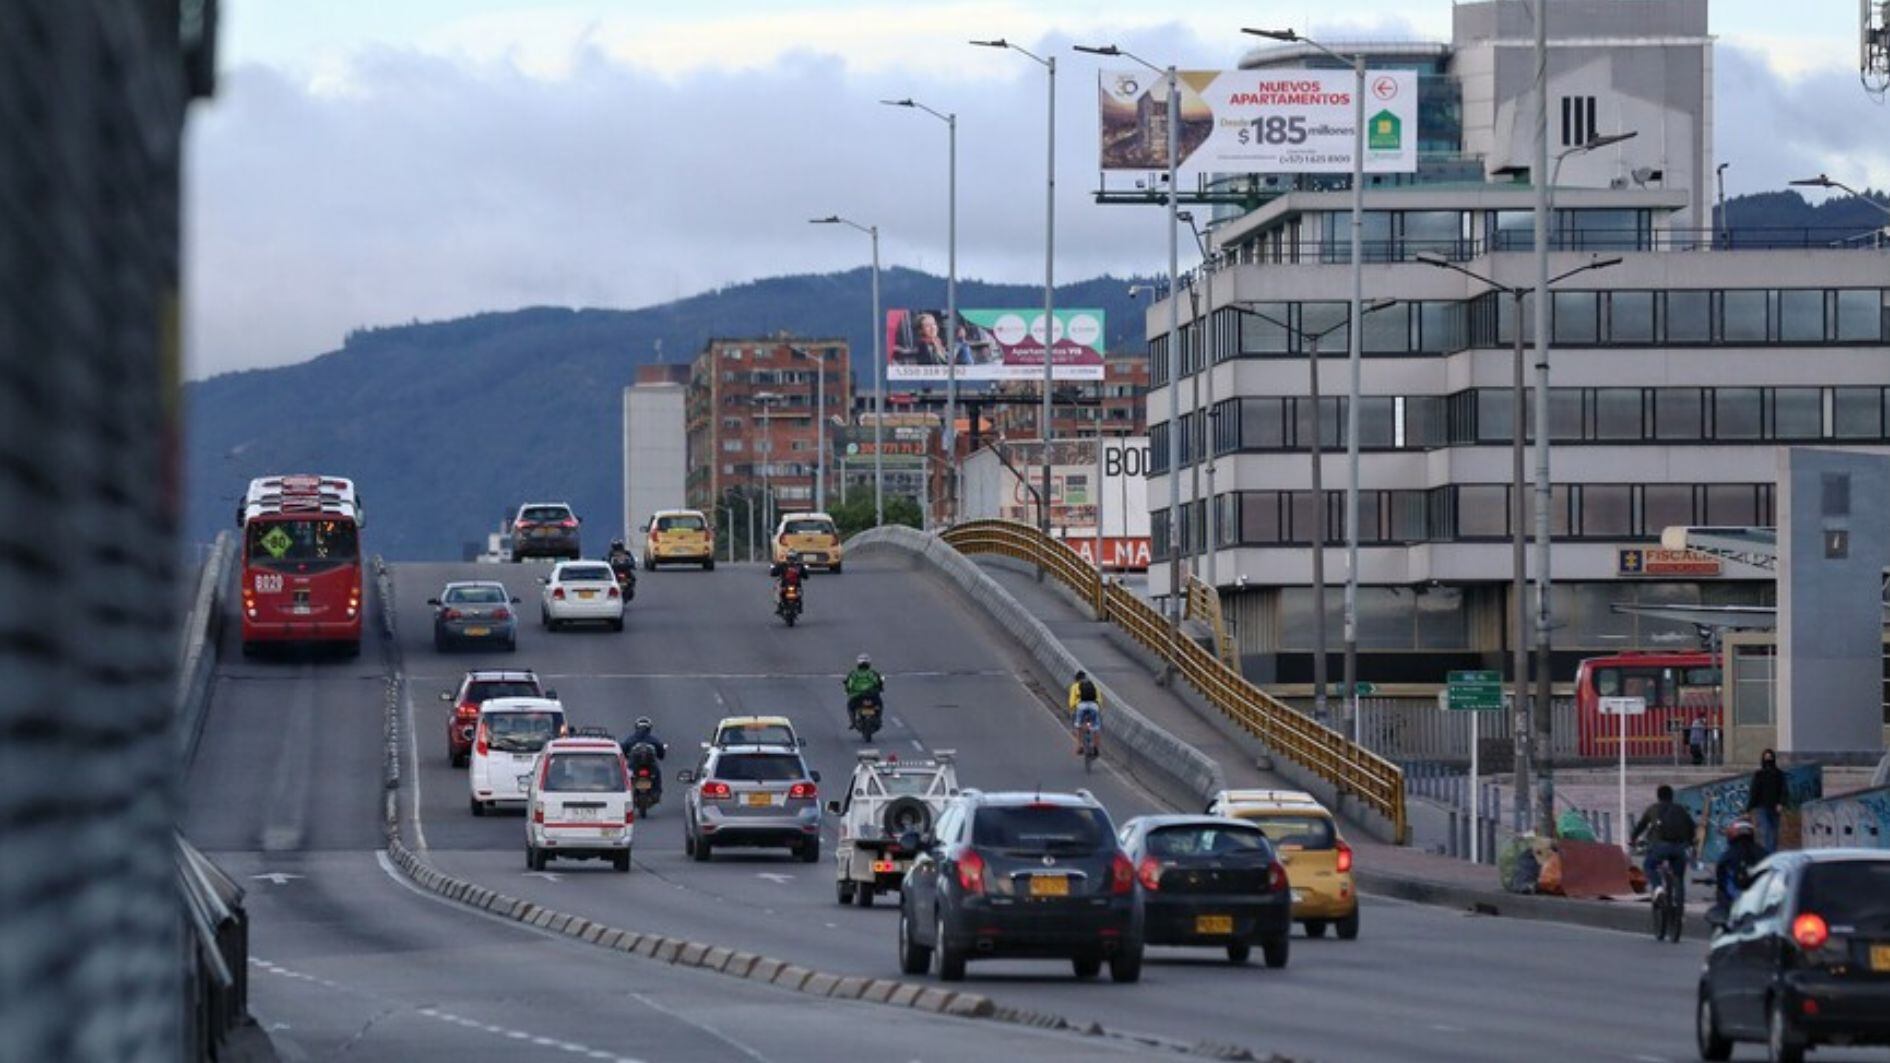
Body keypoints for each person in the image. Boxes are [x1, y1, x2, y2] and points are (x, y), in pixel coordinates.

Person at [1630, 784, 1698, 905]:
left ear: (1658, 796)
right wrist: (1691, 843)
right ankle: (1679, 900)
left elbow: (1641, 826)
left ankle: (1658, 888)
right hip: (1679, 847)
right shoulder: (1680, 809)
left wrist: (1633, 839)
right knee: (1679, 875)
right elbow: (1692, 827)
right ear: (1672, 796)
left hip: (1659, 847)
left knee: (1649, 866)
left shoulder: (1653, 809)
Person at [1713, 818, 1765, 913]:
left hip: (1736, 901)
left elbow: (1720, 875)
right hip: (1758, 899)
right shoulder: (1762, 852)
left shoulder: (1729, 854)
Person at [1747, 749, 1787, 853]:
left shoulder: (1779, 774)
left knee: (1774, 832)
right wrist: (1749, 808)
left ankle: (1771, 853)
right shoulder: (1759, 774)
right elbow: (1754, 791)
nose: (1768, 759)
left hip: (1775, 807)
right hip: (1762, 807)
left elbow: (1784, 790)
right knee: (1767, 832)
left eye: (1770, 757)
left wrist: (1781, 803)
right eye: (1766, 757)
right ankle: (1768, 855)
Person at [621, 716, 667, 797]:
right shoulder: (653, 740)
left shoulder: (631, 739)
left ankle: (625, 791)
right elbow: (661, 753)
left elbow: (623, 750)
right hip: (646, 767)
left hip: (637, 766)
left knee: (626, 775)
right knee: (657, 773)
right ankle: (656, 791)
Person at [842, 653, 885, 730]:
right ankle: (878, 718)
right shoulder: (872, 673)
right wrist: (880, 688)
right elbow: (878, 682)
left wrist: (847, 690)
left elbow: (848, 684)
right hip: (872, 695)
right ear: (868, 663)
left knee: (850, 706)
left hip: (857, 696)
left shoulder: (853, 674)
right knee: (880, 704)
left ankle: (853, 722)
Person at [1068, 671, 1102, 756]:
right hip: (1094, 706)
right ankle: (1096, 748)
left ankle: (1080, 746)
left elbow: (1072, 702)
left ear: (1076, 679)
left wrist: (1072, 708)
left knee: (1078, 726)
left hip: (1081, 706)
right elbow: (1100, 700)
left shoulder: (1075, 686)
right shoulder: (1094, 685)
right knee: (1096, 727)